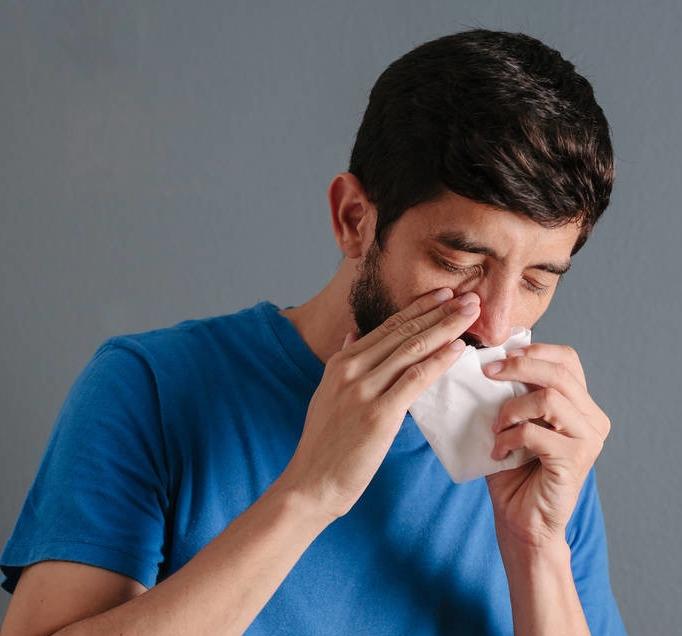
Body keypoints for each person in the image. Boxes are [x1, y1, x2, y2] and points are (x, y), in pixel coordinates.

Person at [0, 28, 628, 635]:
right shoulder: (152, 389)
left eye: (537, 280)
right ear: (354, 220)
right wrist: (309, 494)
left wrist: (537, 547)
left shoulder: (538, 442)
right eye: (459, 262)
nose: (495, 324)